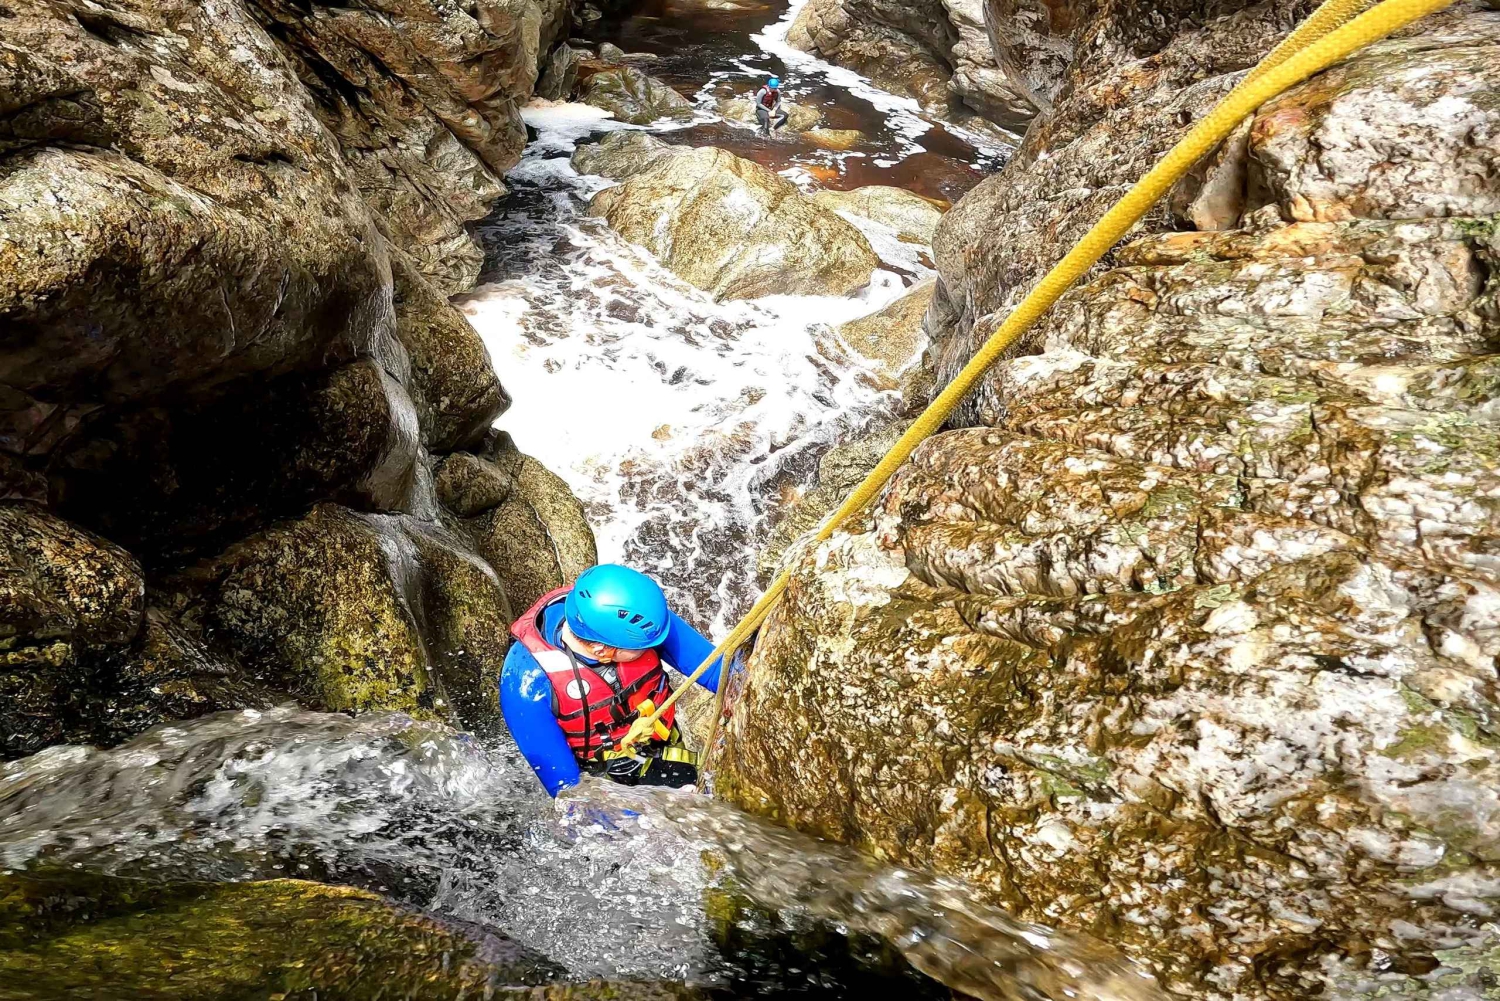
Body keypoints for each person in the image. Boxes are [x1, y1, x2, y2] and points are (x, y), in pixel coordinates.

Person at [500, 564, 723, 797]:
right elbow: (568, 793)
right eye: (640, 649)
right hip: (607, 783)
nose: (653, 647)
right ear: (602, 651)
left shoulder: (638, 618)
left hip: (663, 747)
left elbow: (719, 670)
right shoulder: (526, 685)